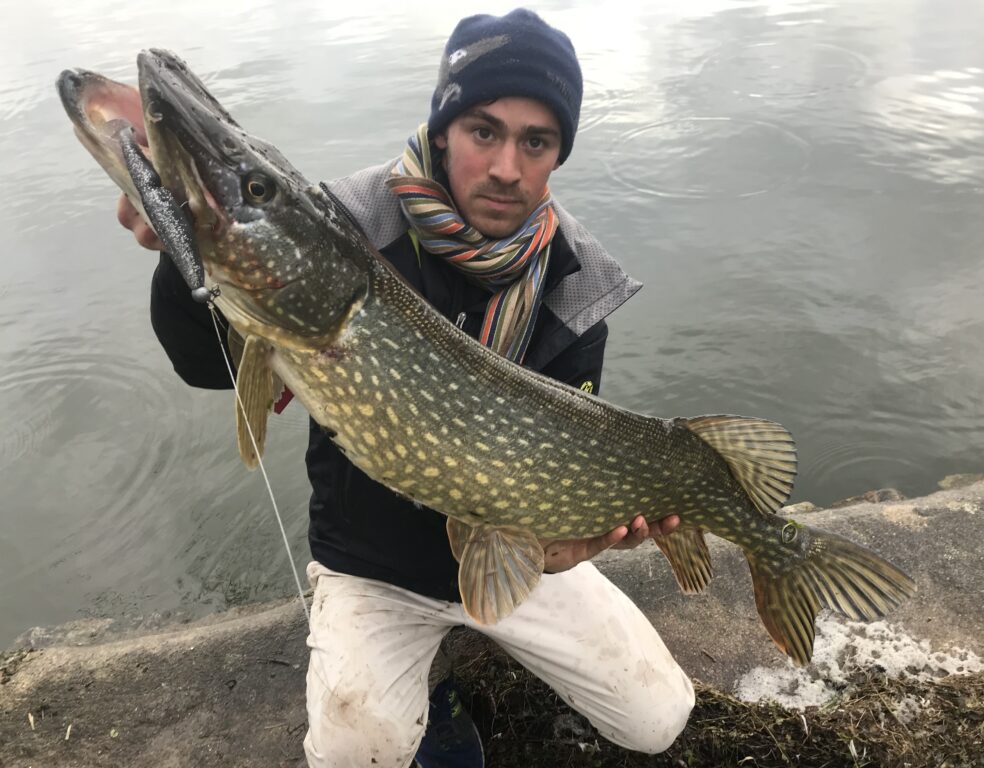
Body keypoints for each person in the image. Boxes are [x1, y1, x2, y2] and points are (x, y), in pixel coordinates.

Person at [119, 9, 695, 767]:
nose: (506, 167)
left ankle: (464, 643)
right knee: (353, 754)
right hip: (373, 565)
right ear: (444, 128)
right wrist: (183, 256)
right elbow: (205, 364)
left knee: (660, 718)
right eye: (484, 131)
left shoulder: (575, 285)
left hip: (510, 557)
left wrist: (564, 546)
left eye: (536, 141)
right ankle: (434, 685)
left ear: (558, 154)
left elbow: (565, 457)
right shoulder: (348, 224)